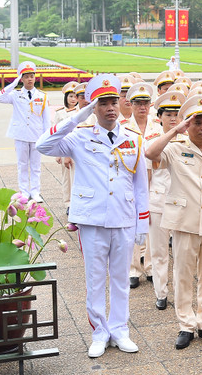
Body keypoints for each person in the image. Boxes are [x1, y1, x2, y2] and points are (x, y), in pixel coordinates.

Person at [36, 75, 149, 358]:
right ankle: (99, 332)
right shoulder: (79, 136)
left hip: (123, 218)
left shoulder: (133, 139)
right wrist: (77, 116)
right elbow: (43, 145)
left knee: (121, 279)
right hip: (92, 220)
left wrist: (142, 222)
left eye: (114, 102)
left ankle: (120, 330)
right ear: (94, 108)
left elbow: (140, 185)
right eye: (103, 103)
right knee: (96, 280)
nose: (111, 108)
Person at [144, 95, 202, 349]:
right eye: (198, 123)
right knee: (183, 275)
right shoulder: (175, 148)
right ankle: (186, 324)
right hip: (184, 222)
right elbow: (150, 153)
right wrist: (175, 130)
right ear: (188, 125)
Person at [145, 91, 183, 311]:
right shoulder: (152, 142)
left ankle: (180, 292)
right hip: (158, 202)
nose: (173, 118)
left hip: (180, 203)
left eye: (177, 114)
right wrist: (144, 205)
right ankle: (161, 292)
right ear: (159, 117)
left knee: (181, 253)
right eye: (168, 114)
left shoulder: (187, 141)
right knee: (159, 252)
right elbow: (147, 177)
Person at [0, 61, 52, 202]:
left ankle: (35, 192)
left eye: (32, 76)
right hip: (21, 135)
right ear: (22, 79)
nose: (30, 79)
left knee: (35, 166)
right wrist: (13, 84)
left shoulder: (42, 96)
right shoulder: (15, 95)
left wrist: (46, 136)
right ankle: (24, 192)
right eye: (26, 76)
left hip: (36, 135)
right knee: (22, 165)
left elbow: (46, 119)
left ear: (35, 77)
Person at [124, 82, 162, 289]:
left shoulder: (157, 127)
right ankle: (133, 268)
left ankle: (149, 266)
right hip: (132, 182)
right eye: (138, 103)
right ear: (130, 105)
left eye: (146, 103)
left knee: (152, 225)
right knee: (132, 224)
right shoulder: (123, 127)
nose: (142, 107)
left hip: (155, 180)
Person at [53, 82, 79, 211]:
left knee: (78, 178)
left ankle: (77, 202)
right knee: (67, 178)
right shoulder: (60, 113)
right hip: (65, 149)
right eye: (70, 96)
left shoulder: (81, 112)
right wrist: (58, 153)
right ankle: (68, 203)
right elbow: (56, 134)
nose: (73, 99)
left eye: (75, 96)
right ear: (66, 98)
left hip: (78, 149)